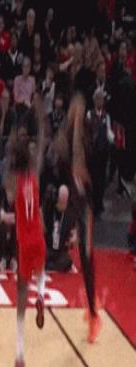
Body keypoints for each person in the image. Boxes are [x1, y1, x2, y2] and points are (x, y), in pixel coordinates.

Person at [6, 97, 48, 367]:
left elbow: (10, 199)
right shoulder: (35, 175)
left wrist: (12, 139)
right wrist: (41, 117)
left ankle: (20, 358)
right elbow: (42, 142)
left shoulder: (14, 180)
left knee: (21, 297)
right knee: (41, 270)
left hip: (24, 242)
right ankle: (41, 293)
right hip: (39, 238)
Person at [58, 95, 102, 343]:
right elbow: (59, 160)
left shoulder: (87, 136)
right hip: (73, 201)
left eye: (78, 107)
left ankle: (94, 314)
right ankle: (92, 307)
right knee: (62, 245)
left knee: (86, 257)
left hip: (85, 204)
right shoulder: (66, 137)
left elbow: (93, 171)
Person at [44, 185, 76, 272]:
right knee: (39, 257)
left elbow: (74, 231)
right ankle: (50, 265)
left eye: (65, 203)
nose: (63, 205)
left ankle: (50, 266)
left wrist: (73, 238)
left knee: (67, 262)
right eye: (61, 202)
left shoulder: (70, 214)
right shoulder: (49, 210)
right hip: (48, 248)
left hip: (61, 250)